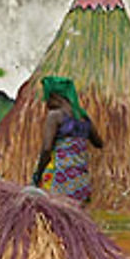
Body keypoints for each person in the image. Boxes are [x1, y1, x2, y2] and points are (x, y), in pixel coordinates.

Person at [32, 76, 104, 204]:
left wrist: (38, 174)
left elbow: (47, 149)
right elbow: (99, 143)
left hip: (59, 179)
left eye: (47, 98)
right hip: (81, 182)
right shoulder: (83, 118)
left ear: (55, 96)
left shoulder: (55, 116)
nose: (46, 103)